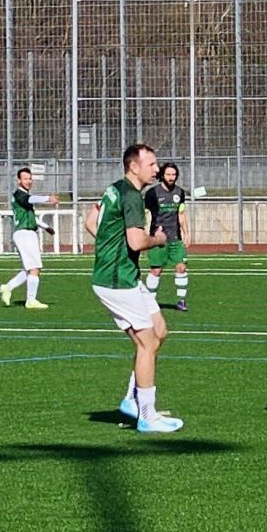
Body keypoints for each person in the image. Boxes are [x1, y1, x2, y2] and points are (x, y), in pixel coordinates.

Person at [84, 142, 181, 433]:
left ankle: (131, 399)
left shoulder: (115, 189)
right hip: (117, 282)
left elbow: (91, 222)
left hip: (125, 277)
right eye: (151, 164)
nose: (157, 169)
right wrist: (159, 239)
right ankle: (147, 416)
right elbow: (137, 242)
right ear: (134, 166)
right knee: (147, 343)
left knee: (159, 331)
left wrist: (108, 246)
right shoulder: (132, 196)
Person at [0, 165, 55, 310]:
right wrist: (48, 198)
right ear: (19, 180)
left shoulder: (25, 196)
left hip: (28, 233)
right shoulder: (19, 194)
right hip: (24, 234)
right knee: (34, 268)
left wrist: (45, 227)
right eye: (25, 179)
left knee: (30, 268)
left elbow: (31, 217)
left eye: (30, 178)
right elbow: (30, 199)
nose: (28, 181)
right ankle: (31, 300)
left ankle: (8, 287)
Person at [141, 161, 189, 313]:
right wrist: (144, 234)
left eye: (174, 174)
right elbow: (145, 214)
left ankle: (181, 301)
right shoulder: (152, 193)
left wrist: (186, 233)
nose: (171, 177)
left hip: (175, 237)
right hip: (157, 238)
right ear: (162, 175)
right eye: (168, 174)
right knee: (156, 270)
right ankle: (150, 302)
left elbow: (181, 214)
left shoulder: (180, 193)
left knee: (181, 267)